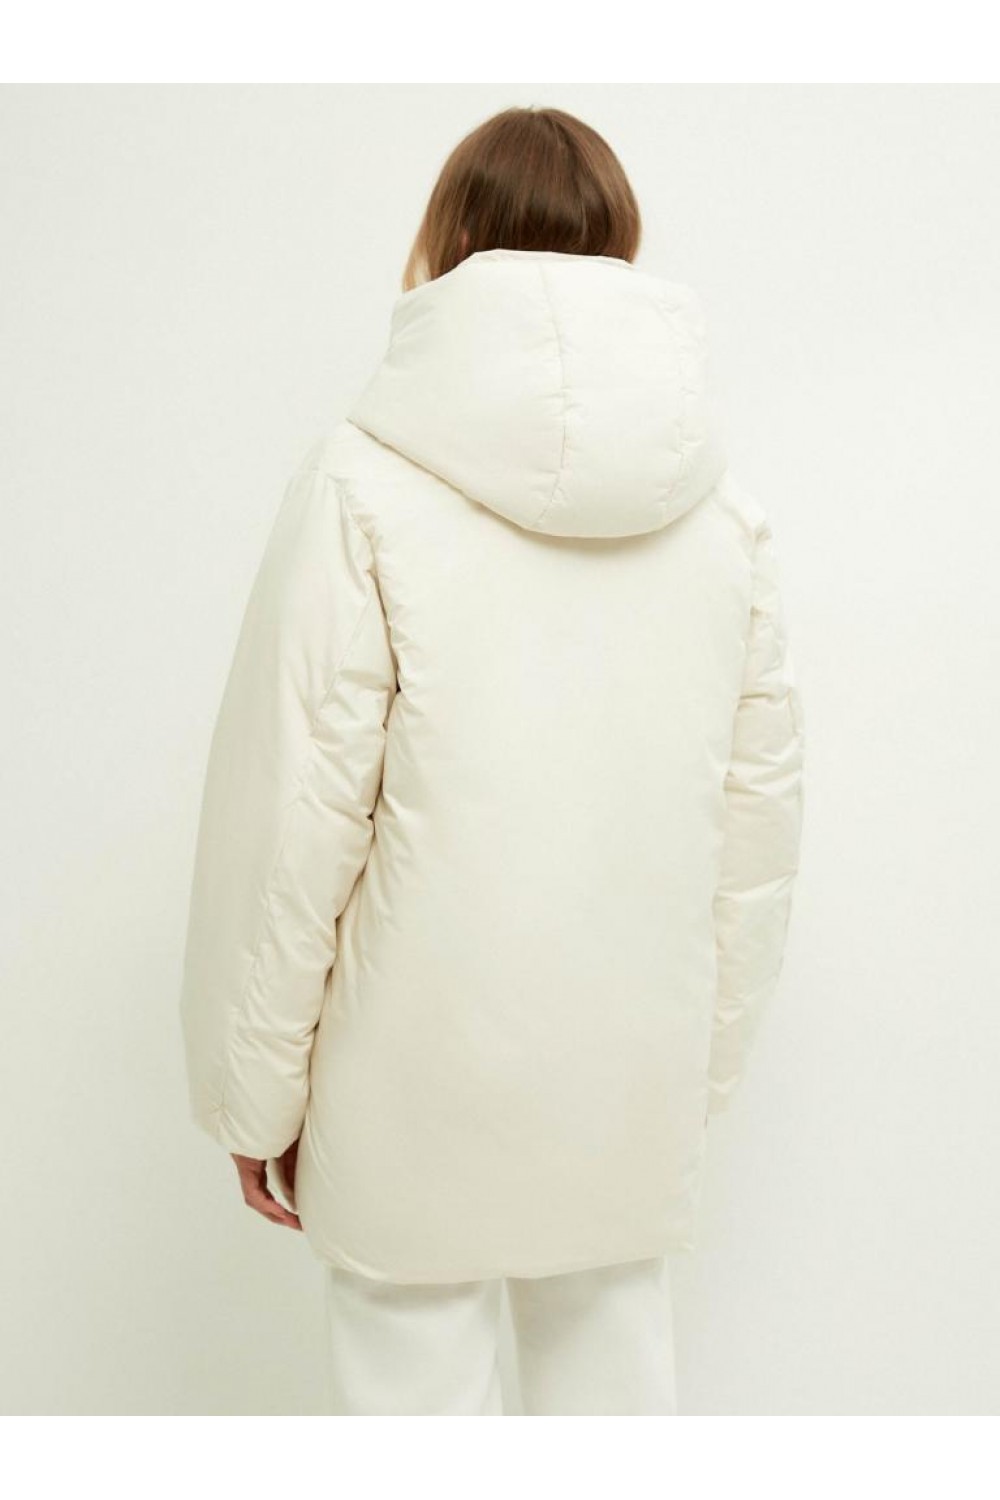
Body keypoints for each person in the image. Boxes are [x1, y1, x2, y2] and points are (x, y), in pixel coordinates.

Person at [179, 104, 806, 1416]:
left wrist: (255, 1097)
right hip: (624, 1079)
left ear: (448, 238)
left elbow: (297, 817)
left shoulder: (360, 485)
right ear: (620, 240)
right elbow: (757, 836)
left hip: (407, 1083)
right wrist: (693, 1078)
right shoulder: (724, 517)